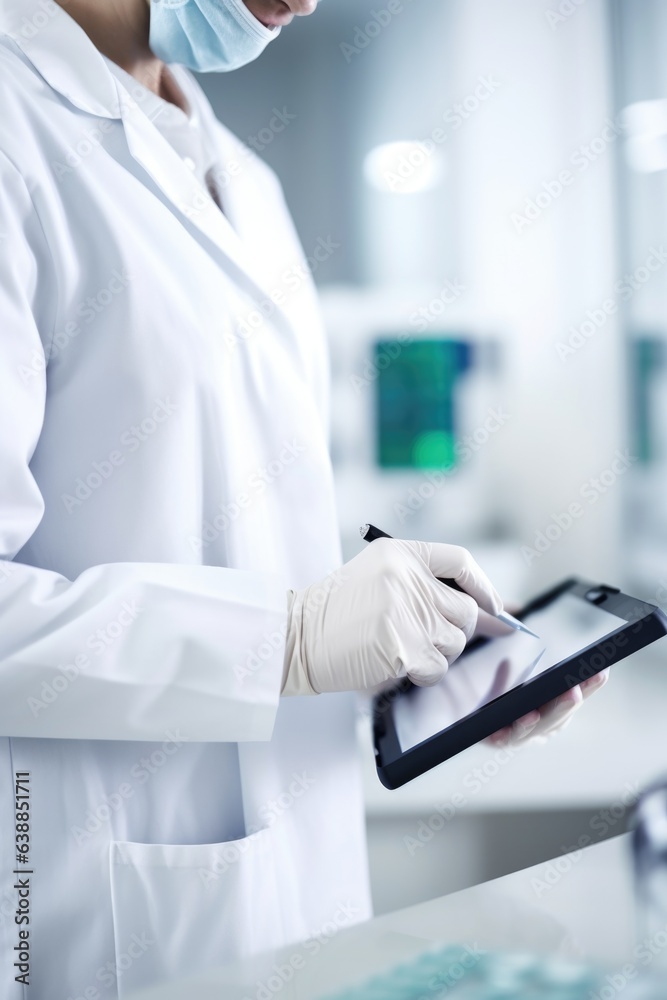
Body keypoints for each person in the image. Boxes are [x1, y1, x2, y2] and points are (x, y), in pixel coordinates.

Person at [0, 0, 609, 996]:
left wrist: (400, 657)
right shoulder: (15, 132)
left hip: (298, 883)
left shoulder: (245, 177)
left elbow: (243, 538)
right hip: (90, 903)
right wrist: (283, 638)